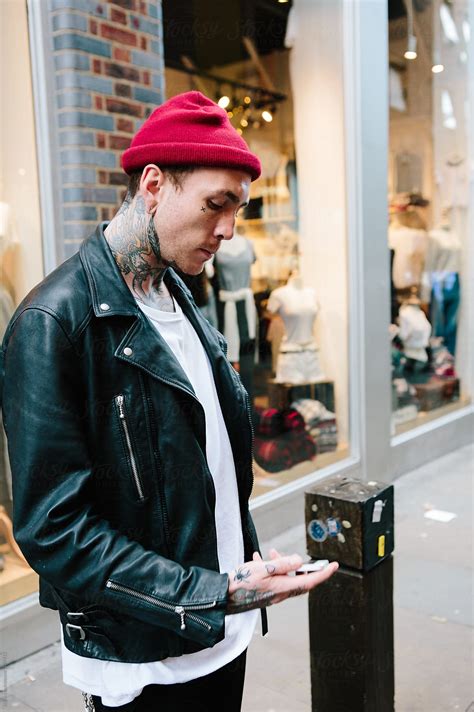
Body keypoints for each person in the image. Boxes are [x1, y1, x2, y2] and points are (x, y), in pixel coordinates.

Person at [1, 92, 338, 712]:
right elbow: (54, 531)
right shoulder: (55, 321)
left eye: (238, 208)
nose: (229, 229)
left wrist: (240, 575)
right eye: (217, 204)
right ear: (154, 184)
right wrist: (208, 592)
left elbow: (203, 461)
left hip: (221, 630)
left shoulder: (180, 299)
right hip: (144, 658)